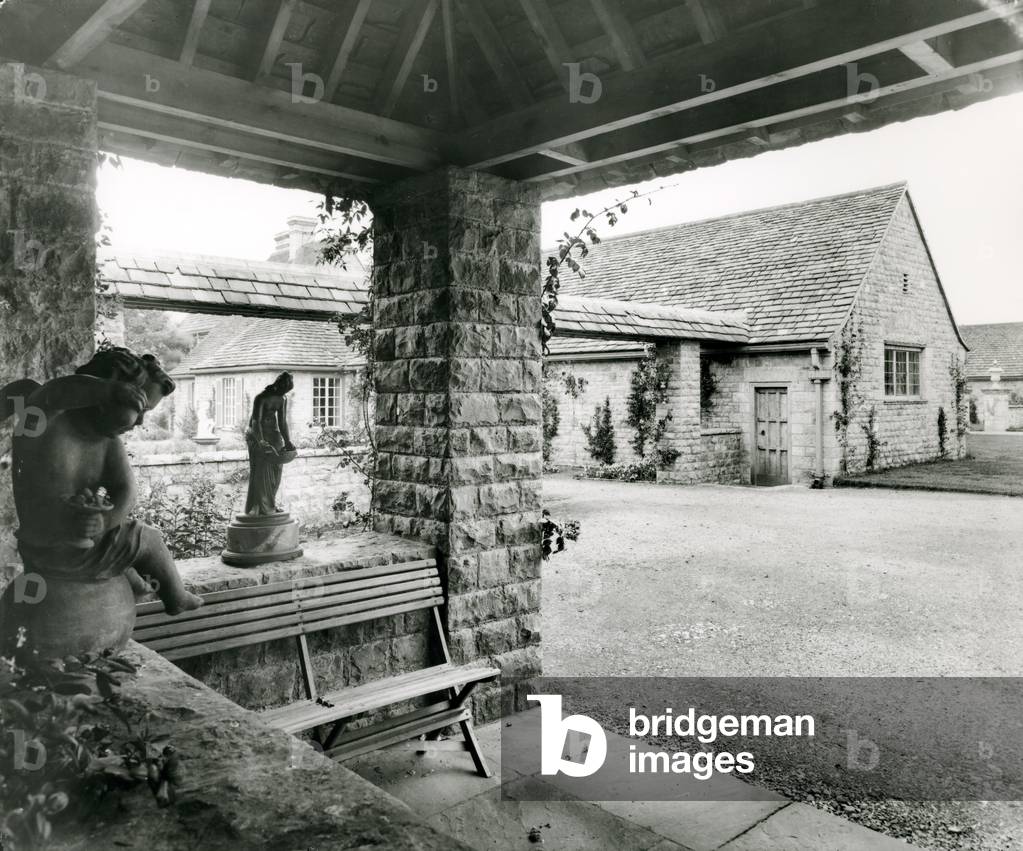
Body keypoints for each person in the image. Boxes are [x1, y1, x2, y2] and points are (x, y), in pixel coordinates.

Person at [1, 346, 203, 615]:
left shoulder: (107, 441)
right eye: (137, 407)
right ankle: (176, 597)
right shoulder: (43, 425)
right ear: (103, 394)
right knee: (146, 539)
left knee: (124, 544)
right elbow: (50, 395)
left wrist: (103, 523)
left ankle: (135, 582)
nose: (141, 421)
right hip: (49, 546)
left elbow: (127, 490)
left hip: (85, 542)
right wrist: (108, 389)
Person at [243, 372, 296, 516]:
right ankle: (260, 507)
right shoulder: (261, 398)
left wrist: (288, 441)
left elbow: (282, 422)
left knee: (276, 469)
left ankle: (270, 503)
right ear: (278, 385)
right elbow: (256, 422)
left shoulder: (282, 398)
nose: (283, 393)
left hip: (273, 433)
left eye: (285, 392)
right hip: (256, 434)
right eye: (283, 390)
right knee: (262, 470)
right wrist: (261, 442)